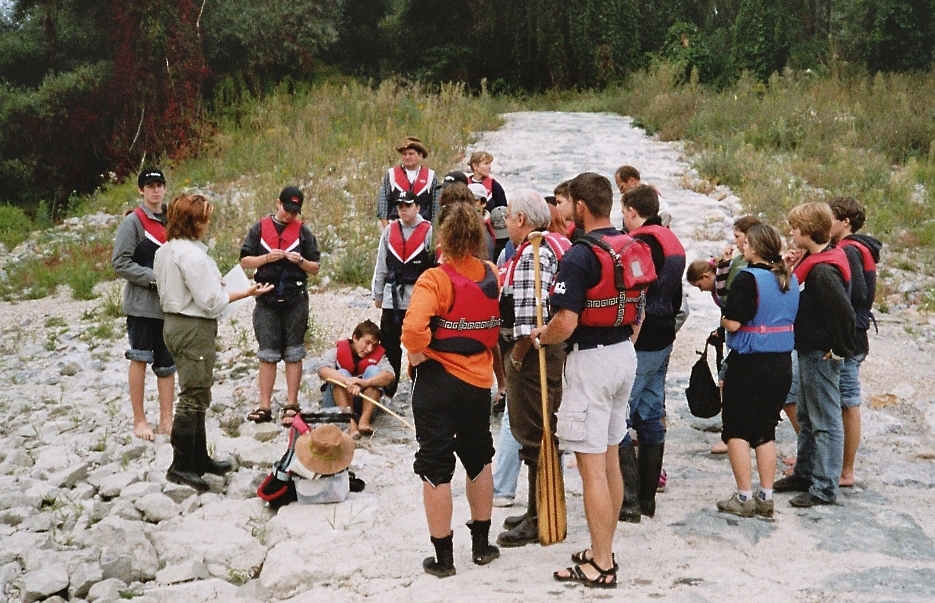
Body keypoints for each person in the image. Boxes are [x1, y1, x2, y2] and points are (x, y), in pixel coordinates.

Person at [530, 172, 643, 589]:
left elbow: (566, 320)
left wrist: (542, 337)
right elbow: (639, 309)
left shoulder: (580, 255)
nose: (558, 211)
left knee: (591, 467)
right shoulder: (629, 244)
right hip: (623, 354)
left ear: (579, 207)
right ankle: (603, 548)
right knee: (610, 457)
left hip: (591, 361)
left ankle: (601, 564)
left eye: (563, 204)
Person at [401, 202, 501, 578]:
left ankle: (443, 559)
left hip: (437, 382)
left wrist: (421, 351)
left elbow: (412, 330)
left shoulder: (435, 279)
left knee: (435, 465)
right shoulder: (491, 273)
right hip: (478, 382)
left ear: (441, 238)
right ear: (478, 238)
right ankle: (481, 546)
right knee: (478, 458)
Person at [154, 194, 273, 491]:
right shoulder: (191, 255)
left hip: (175, 322)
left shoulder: (166, 250)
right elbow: (210, 301)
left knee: (198, 390)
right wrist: (246, 292)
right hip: (193, 325)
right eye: (204, 219)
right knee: (194, 394)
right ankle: (180, 465)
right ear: (193, 222)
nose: (207, 224)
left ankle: (198, 458)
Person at [495, 190, 571, 547]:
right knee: (541, 428)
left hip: (534, 354)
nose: (506, 223)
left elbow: (530, 318)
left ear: (522, 220)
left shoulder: (533, 253)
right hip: (551, 349)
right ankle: (535, 506)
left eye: (509, 217)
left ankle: (539, 514)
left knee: (533, 431)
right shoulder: (557, 244)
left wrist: (516, 357)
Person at [774, 202, 857, 507]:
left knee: (824, 420)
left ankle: (823, 487)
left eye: (795, 228)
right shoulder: (818, 257)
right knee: (808, 417)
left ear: (808, 231)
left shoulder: (822, 270)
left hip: (820, 352)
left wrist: (839, 350)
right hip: (809, 348)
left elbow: (846, 314)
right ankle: (805, 473)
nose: (791, 232)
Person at [715, 224, 799, 518]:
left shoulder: (748, 279)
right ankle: (766, 495)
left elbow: (735, 323)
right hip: (781, 362)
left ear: (754, 247)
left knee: (736, 428)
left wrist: (724, 320)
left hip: (749, 362)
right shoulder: (789, 278)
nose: (742, 247)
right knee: (765, 429)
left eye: (746, 243)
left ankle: (744, 497)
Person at [620, 184, 685, 519]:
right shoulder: (671, 238)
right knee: (649, 412)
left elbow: (637, 287)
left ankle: (628, 501)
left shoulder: (643, 241)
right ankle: (647, 500)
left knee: (620, 416)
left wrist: (631, 332)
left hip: (644, 335)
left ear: (632, 210)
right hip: (665, 332)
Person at [239, 186, 321, 426]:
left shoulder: (304, 232)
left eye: (294, 212)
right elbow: (244, 260)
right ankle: (264, 405)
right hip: (267, 298)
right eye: (286, 209)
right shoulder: (259, 229)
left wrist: (301, 261)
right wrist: (266, 258)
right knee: (267, 353)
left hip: (295, 298)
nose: (289, 215)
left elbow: (315, 268)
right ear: (278, 204)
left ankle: (291, 403)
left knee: (294, 352)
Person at [111, 168, 176, 441]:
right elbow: (120, 262)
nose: (155, 190)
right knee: (139, 358)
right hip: (141, 305)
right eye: (150, 186)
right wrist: (153, 278)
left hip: (170, 305)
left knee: (167, 363)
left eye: (159, 184)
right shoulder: (133, 222)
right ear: (141, 190)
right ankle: (140, 420)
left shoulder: (173, 220)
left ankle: (166, 419)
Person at [828, 196, 881, 487]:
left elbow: (856, 295)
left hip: (849, 337)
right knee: (842, 400)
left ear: (845, 222)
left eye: (831, 217)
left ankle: (845, 470)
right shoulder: (859, 247)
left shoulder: (848, 250)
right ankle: (831, 460)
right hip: (855, 333)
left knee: (847, 401)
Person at [371, 191, 434, 399]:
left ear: (417, 207)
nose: (404, 209)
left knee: (420, 343)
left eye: (408, 205)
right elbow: (381, 263)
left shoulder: (428, 231)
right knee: (389, 344)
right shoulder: (390, 231)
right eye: (400, 206)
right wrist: (378, 294)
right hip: (393, 299)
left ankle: (421, 387)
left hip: (419, 298)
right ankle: (389, 389)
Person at [315, 319, 395, 438]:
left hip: (362, 404)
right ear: (355, 337)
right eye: (367, 343)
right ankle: (350, 423)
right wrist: (347, 381)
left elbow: (390, 376)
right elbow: (322, 371)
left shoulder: (379, 357)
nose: (370, 349)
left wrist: (364, 382)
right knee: (342, 373)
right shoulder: (335, 352)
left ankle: (364, 421)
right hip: (337, 406)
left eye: (373, 345)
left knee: (374, 372)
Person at [376, 137, 441, 228]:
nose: (407, 157)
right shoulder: (391, 175)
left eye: (411, 154)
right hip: (395, 226)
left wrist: (432, 233)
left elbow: (436, 209)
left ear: (420, 155)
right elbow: (382, 205)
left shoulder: (431, 176)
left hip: (422, 228)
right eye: (404, 154)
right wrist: (387, 229)